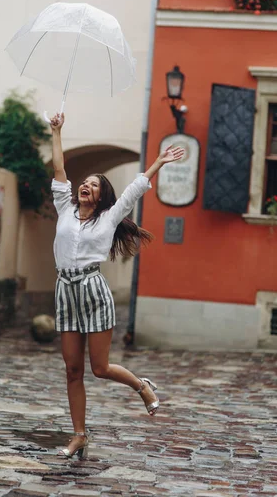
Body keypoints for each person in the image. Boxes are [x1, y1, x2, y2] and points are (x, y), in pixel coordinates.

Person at [50, 112, 184, 459]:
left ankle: (142, 386)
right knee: (72, 370)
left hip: (93, 291)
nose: (86, 185)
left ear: (101, 196)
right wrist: (57, 131)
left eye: (94, 185)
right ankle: (79, 435)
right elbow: (60, 169)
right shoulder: (64, 208)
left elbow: (134, 188)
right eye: (85, 182)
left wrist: (157, 162)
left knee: (100, 368)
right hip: (65, 290)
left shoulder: (109, 218)